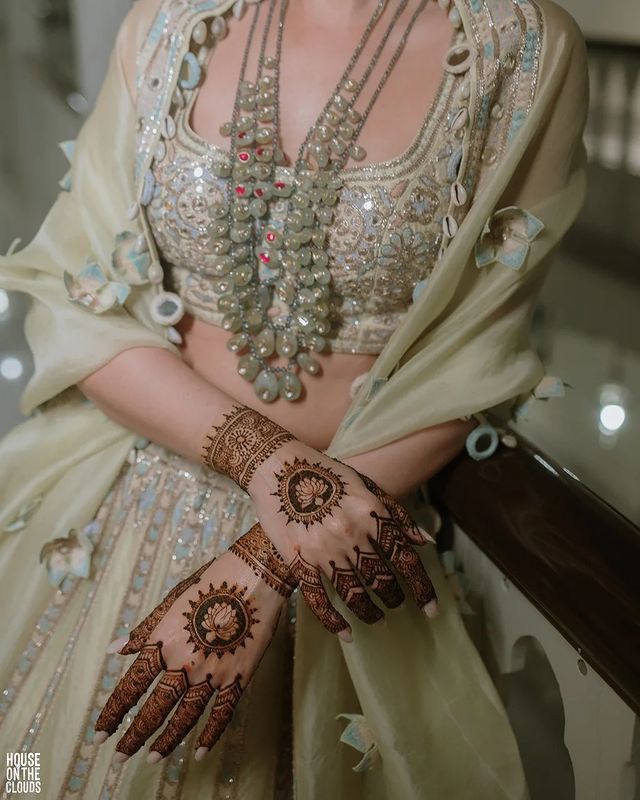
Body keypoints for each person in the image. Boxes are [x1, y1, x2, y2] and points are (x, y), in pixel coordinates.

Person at [0, 0, 588, 796]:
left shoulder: (520, 49)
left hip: (342, 546)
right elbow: (77, 302)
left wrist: (267, 559)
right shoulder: (174, 21)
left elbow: (477, 359)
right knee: (28, 766)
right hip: (128, 492)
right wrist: (275, 471)